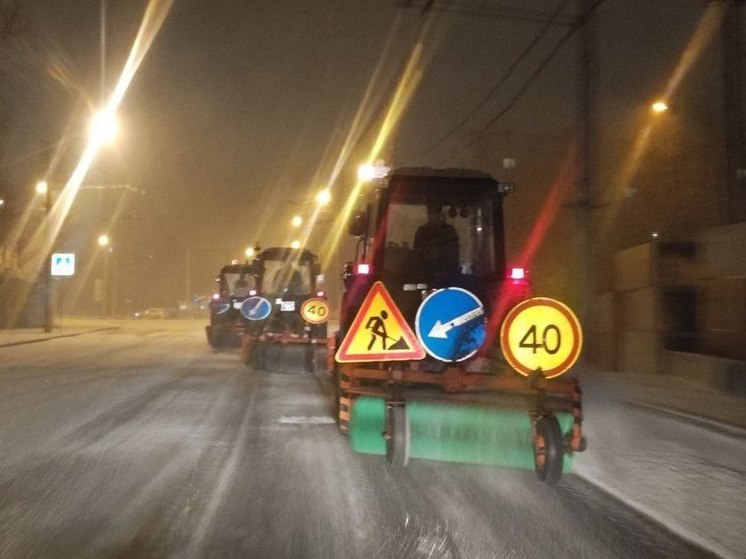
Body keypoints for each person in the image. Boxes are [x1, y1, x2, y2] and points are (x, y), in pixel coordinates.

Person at [414, 204, 460, 274]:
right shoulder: (422, 231)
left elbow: (454, 254)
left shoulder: (449, 231)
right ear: (428, 214)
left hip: (446, 273)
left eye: (436, 212)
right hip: (425, 273)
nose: (434, 216)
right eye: (432, 213)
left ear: (440, 214)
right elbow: (417, 252)